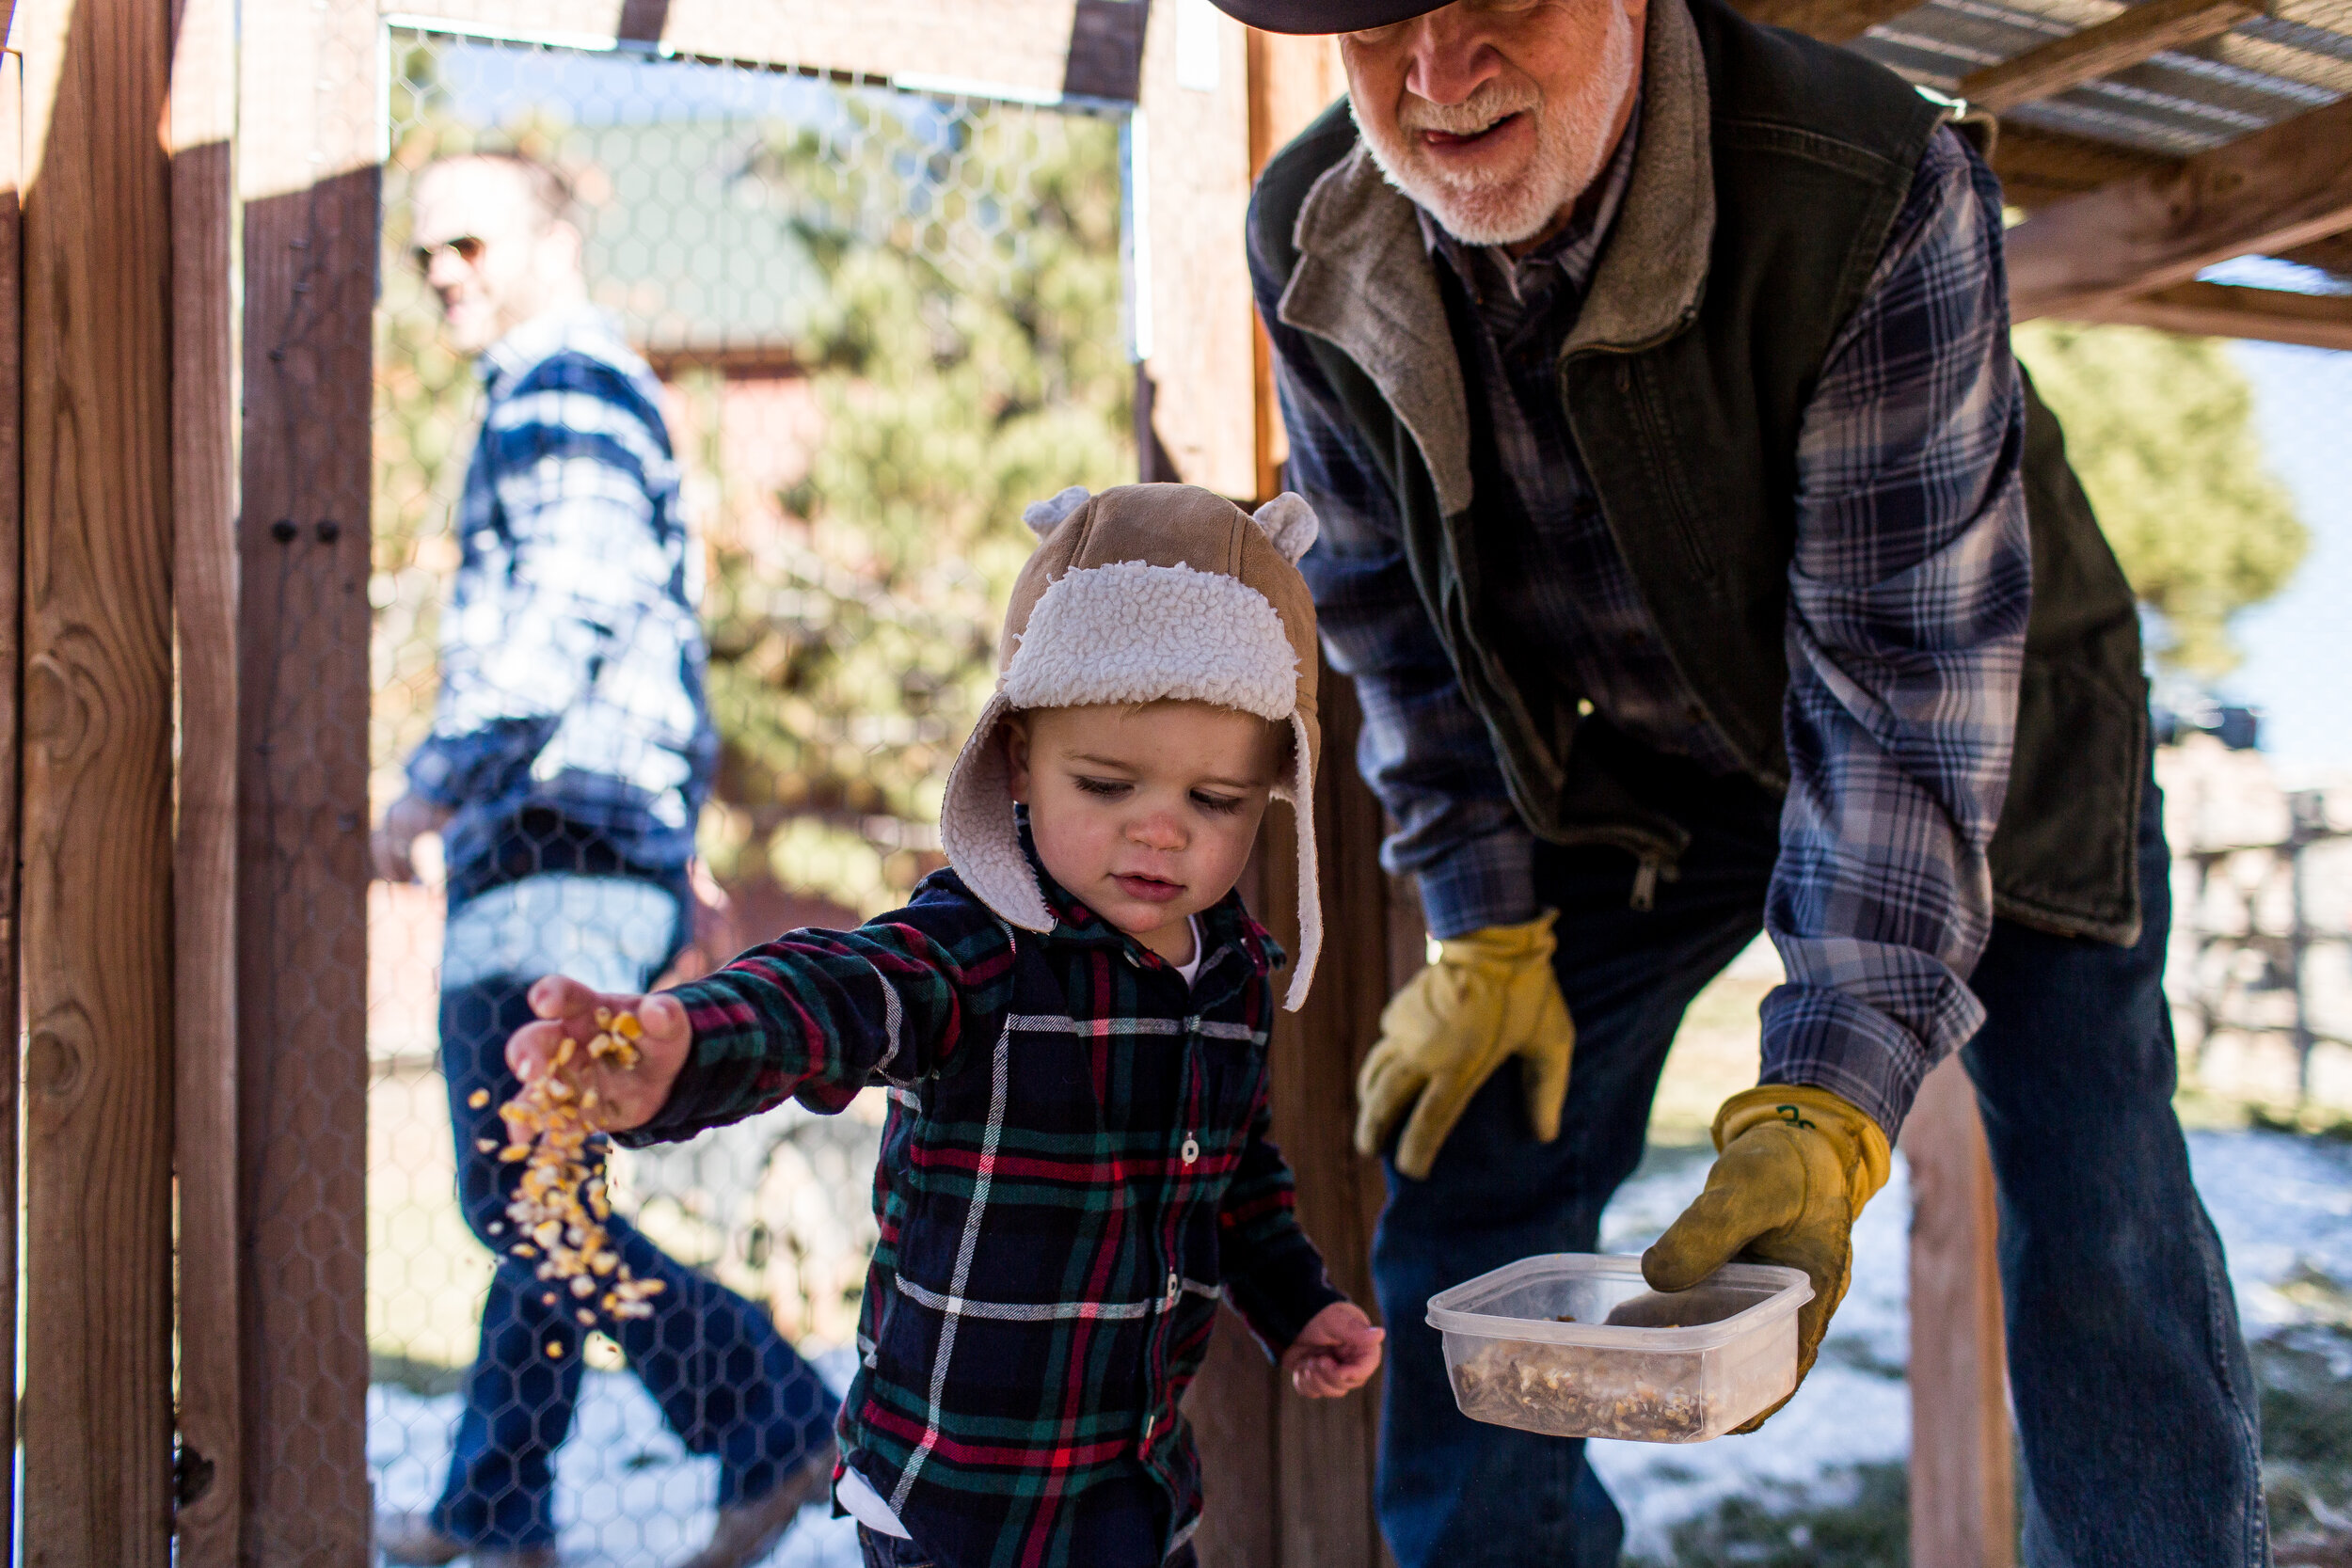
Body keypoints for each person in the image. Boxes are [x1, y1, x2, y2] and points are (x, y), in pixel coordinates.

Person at [1226, 1, 2269, 1564]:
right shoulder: (1313, 232)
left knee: (2095, 1194)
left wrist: (1833, 1098)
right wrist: (1484, 917)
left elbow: (1896, 693)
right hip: (1647, 763)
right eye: (1384, 18)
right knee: (1473, 1157)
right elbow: (1384, 605)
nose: (1439, 75)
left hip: (1981, 725)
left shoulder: (1871, 184)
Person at [504, 483, 1388, 1568]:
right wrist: (689, 1044)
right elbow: (835, 990)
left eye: (1216, 802)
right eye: (1106, 783)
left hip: (1134, 1492)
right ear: (1017, 757)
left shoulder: (1234, 970)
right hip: (957, 1502)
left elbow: (1235, 1175)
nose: (1161, 831)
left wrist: (1297, 1304)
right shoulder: (979, 946)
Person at [373, 150, 838, 1568]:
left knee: (525, 1186)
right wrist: (675, 838)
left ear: (552, 236)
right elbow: (643, 633)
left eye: (468, 242)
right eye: (423, 257)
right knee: (542, 1192)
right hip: (594, 837)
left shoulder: (563, 379)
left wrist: (425, 787)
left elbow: (572, 604)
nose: (445, 273)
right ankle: (501, 1511)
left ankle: (770, 1415)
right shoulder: (565, 387)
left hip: (555, 842)